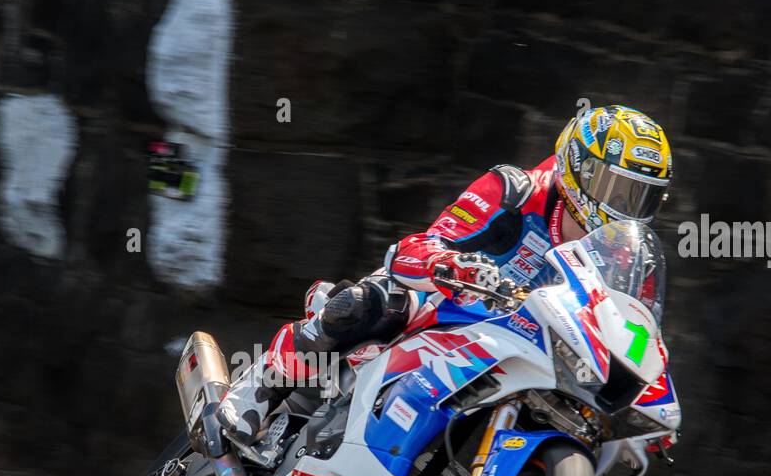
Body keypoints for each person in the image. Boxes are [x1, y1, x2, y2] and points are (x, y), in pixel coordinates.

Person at [217, 104, 673, 447]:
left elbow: (634, 328)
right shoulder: (515, 190)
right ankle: (263, 383)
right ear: (581, 169)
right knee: (372, 301)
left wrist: (653, 396)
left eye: (642, 199)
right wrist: (452, 265)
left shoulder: (628, 257)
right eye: (620, 190)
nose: (626, 209)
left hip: (527, 346)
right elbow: (412, 250)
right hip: (448, 308)